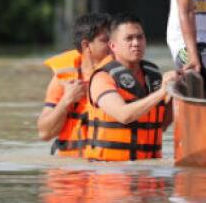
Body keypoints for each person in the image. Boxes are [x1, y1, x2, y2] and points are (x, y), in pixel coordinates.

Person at [75, 13, 180, 162]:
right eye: (129, 38)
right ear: (113, 45)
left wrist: (177, 93)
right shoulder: (102, 77)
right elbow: (124, 115)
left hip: (149, 173)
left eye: (140, 37)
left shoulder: (153, 76)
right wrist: (162, 92)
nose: (136, 43)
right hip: (110, 173)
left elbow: (160, 125)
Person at [38, 12, 112, 156]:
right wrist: (67, 100)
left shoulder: (119, 76)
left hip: (107, 167)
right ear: (86, 45)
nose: (112, 46)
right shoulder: (63, 80)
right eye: (105, 41)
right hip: (69, 169)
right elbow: (44, 133)